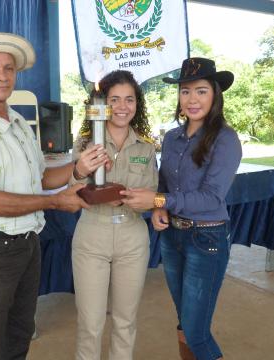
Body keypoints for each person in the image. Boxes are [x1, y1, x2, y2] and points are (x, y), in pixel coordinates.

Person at [0, 32, 108, 360]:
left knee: (19, 335)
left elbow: (40, 179)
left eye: (8, 68)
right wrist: (57, 202)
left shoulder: (17, 121)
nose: (2, 76)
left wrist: (78, 168)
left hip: (26, 245)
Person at [121, 57, 242, 360]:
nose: (192, 99)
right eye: (185, 91)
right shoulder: (173, 137)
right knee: (185, 322)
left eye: (201, 91)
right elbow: (165, 183)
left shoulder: (225, 139)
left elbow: (212, 197)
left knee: (196, 332)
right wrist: (160, 207)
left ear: (215, 94)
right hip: (173, 238)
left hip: (207, 239)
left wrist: (158, 201)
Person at [70, 70, 158, 360]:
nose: (122, 106)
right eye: (115, 99)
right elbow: (72, 192)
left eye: (129, 99)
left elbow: (151, 196)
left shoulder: (146, 146)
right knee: (91, 324)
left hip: (132, 238)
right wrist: (82, 172)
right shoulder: (84, 144)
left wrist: (142, 201)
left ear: (137, 104)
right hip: (92, 236)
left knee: (125, 321)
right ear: (102, 104)